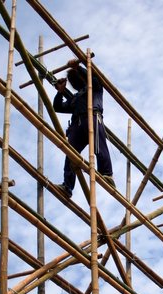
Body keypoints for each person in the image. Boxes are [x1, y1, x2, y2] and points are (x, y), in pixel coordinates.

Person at [53, 59, 115, 198]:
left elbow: (93, 78)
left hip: (92, 117)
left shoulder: (96, 87)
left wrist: (78, 67)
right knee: (71, 155)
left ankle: (107, 174)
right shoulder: (76, 97)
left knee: (98, 145)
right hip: (77, 124)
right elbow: (58, 107)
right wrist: (60, 92)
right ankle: (67, 186)